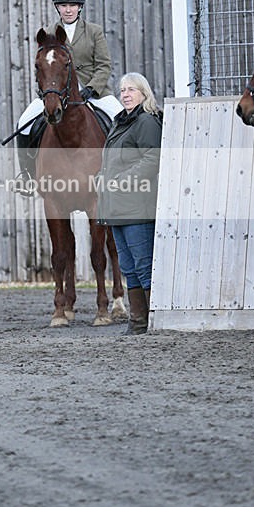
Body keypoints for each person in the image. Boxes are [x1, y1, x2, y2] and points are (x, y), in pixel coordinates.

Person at [15, 0, 123, 184]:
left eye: (72, 5)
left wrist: (92, 88)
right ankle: (27, 176)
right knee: (23, 123)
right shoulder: (48, 33)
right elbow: (43, 67)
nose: (68, 9)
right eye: (64, 5)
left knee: (121, 120)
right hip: (56, 93)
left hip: (94, 92)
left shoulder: (94, 31)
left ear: (80, 7)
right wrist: (45, 92)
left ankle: (121, 173)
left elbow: (104, 65)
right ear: (58, 7)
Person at [97, 73, 163, 335]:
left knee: (144, 265)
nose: (125, 94)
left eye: (131, 90)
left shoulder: (146, 121)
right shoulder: (120, 122)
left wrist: (122, 181)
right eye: (122, 90)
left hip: (137, 206)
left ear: (143, 93)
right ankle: (137, 322)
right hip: (116, 208)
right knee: (128, 268)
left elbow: (151, 159)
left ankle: (152, 323)